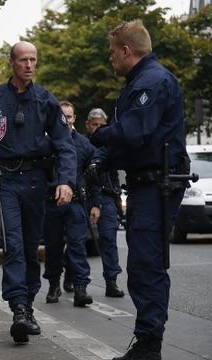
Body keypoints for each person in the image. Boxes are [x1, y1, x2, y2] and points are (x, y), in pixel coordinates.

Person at [0, 41, 76, 344]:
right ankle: (18, 309)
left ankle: (28, 303)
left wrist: (66, 181)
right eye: (23, 60)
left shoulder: (46, 100)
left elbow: (65, 143)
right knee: (11, 244)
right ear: (11, 63)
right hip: (6, 180)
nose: (29, 65)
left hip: (37, 180)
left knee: (28, 247)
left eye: (33, 60)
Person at [90, 20, 189, 360]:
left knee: (147, 264)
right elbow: (131, 140)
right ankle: (148, 342)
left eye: (112, 52)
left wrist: (98, 137)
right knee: (145, 263)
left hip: (157, 184)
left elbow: (133, 132)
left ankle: (149, 347)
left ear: (126, 51)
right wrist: (101, 158)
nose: (110, 59)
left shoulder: (151, 81)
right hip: (147, 182)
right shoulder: (142, 80)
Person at [43, 101, 99, 306]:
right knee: (53, 247)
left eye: (69, 116)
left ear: (74, 118)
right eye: (62, 116)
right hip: (51, 204)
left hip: (76, 204)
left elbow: (94, 177)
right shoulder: (46, 143)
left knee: (77, 245)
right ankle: (54, 285)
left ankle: (80, 288)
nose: (65, 120)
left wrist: (96, 204)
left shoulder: (84, 144)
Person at [84, 108, 125, 298]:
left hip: (107, 197)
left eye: (102, 125)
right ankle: (72, 275)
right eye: (95, 125)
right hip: (85, 197)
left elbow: (114, 176)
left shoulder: (111, 145)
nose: (99, 128)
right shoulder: (82, 144)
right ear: (88, 125)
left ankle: (111, 281)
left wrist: (117, 199)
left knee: (108, 239)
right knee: (78, 240)